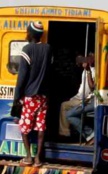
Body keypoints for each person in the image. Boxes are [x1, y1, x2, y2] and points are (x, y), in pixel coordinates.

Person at [12, 21, 52, 166]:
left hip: (30, 96)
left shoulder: (27, 49)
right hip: (43, 96)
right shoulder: (48, 49)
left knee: (25, 127)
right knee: (41, 127)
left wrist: (17, 97)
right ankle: (38, 159)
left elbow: (22, 76)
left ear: (30, 34)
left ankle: (29, 157)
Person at [59, 53, 95, 137]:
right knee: (66, 104)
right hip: (79, 97)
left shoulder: (94, 71)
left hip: (85, 99)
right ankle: (67, 132)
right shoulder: (84, 71)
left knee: (64, 106)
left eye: (91, 57)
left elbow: (91, 88)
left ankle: (65, 133)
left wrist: (88, 70)